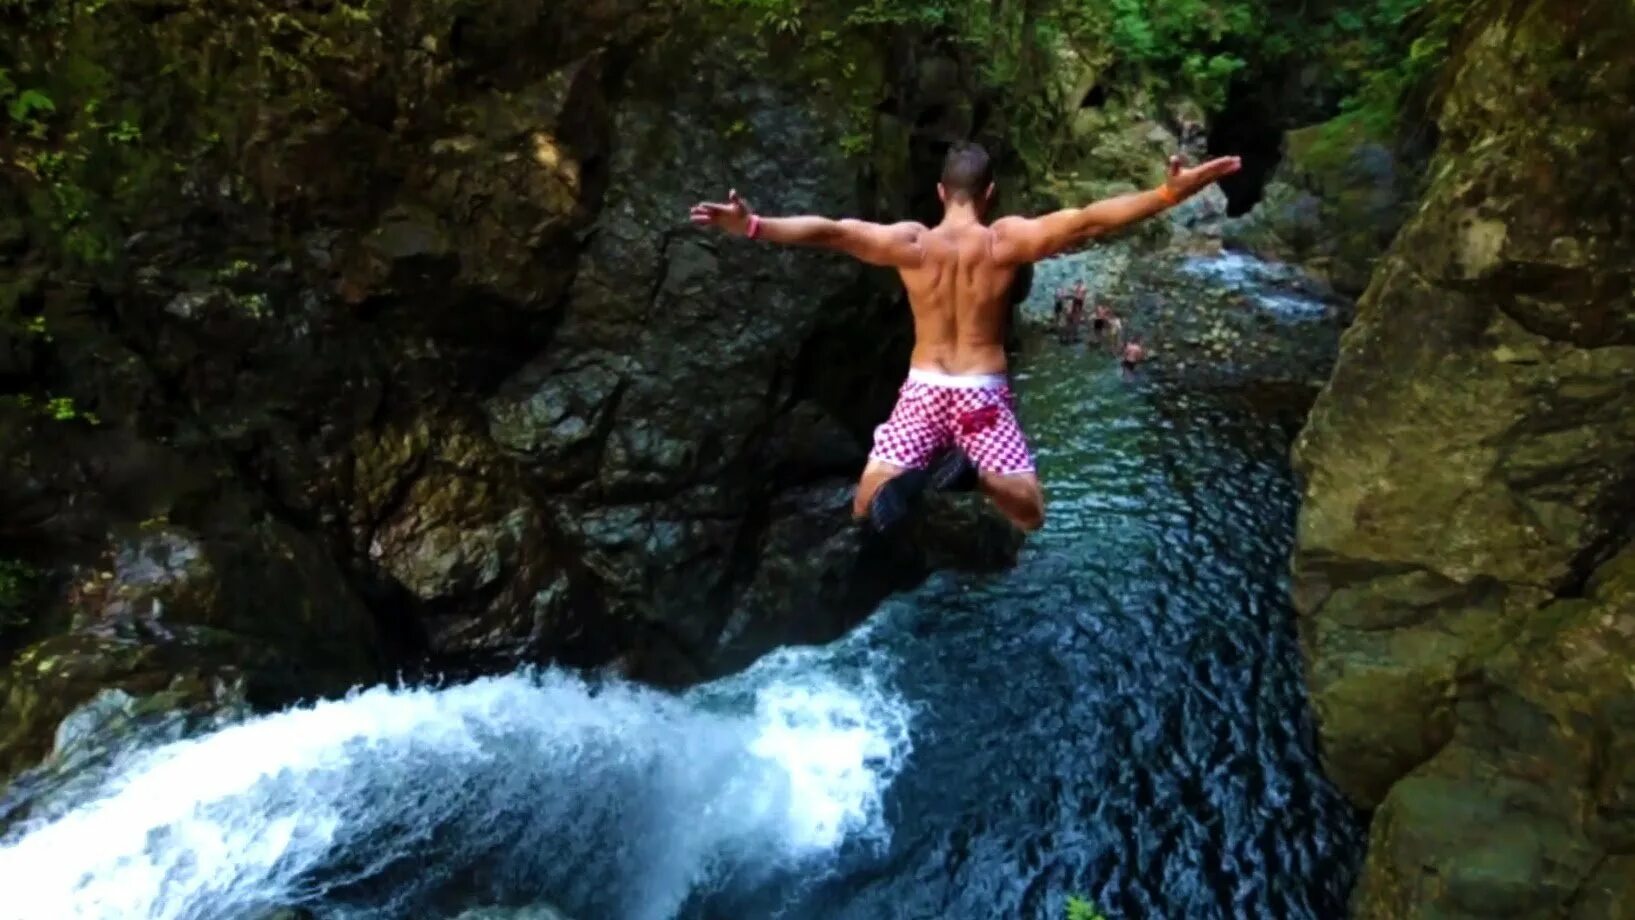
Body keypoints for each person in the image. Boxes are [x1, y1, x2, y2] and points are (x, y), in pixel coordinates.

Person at [689, 145, 1239, 533]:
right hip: (982, 392)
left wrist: (753, 225)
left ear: (939, 191)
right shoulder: (1004, 241)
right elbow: (1089, 221)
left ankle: (910, 477)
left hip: (924, 387)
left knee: (864, 507)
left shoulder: (912, 243)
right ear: (989, 193)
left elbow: (833, 232)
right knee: (1029, 515)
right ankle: (976, 475)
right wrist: (1167, 193)